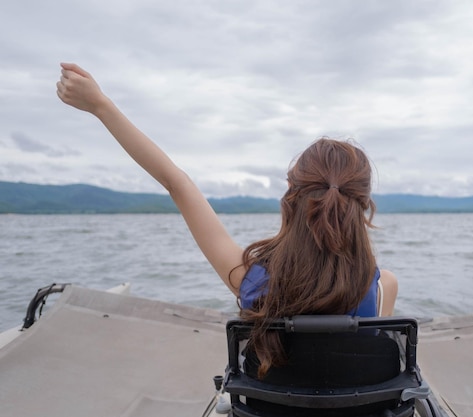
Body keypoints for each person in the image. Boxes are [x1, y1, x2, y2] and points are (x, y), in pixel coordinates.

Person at [56, 63, 398, 377]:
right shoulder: (383, 288)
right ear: (363, 206)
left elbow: (176, 183)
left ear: (290, 201)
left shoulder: (252, 280)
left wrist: (101, 106)